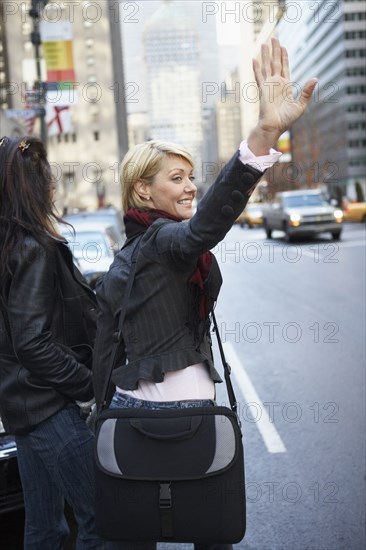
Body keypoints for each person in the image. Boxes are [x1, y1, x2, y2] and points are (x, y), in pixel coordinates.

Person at [92, 38, 317, 549]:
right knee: (206, 534)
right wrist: (262, 134)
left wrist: (98, 409)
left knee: (151, 534)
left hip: (142, 417)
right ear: (143, 192)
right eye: (178, 178)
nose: (191, 186)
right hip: (175, 422)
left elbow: (106, 341)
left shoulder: (130, 253)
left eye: (193, 176)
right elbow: (206, 227)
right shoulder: (161, 242)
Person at [0, 136, 114, 549]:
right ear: (37, 188)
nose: (55, 187)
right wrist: (88, 385)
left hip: (24, 408)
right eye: (51, 180)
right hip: (48, 408)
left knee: (46, 528)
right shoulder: (33, 248)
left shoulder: (12, 243)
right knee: (103, 521)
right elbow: (31, 342)